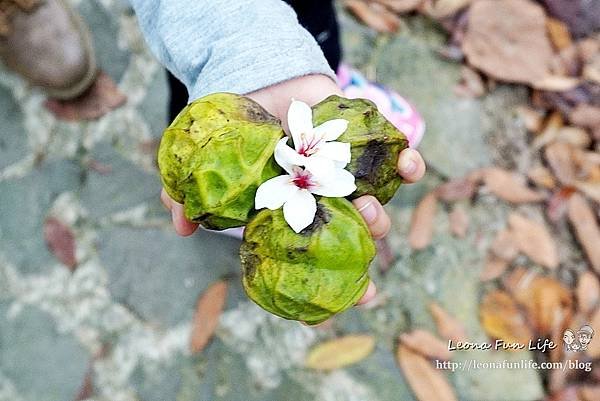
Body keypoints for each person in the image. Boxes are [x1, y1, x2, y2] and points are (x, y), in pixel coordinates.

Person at [129, 0, 427, 306]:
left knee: (316, 26)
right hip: (217, 56)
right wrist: (248, 63)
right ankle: (275, 75)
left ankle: (321, 71)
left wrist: (286, 66)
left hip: (291, 107)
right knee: (198, 84)